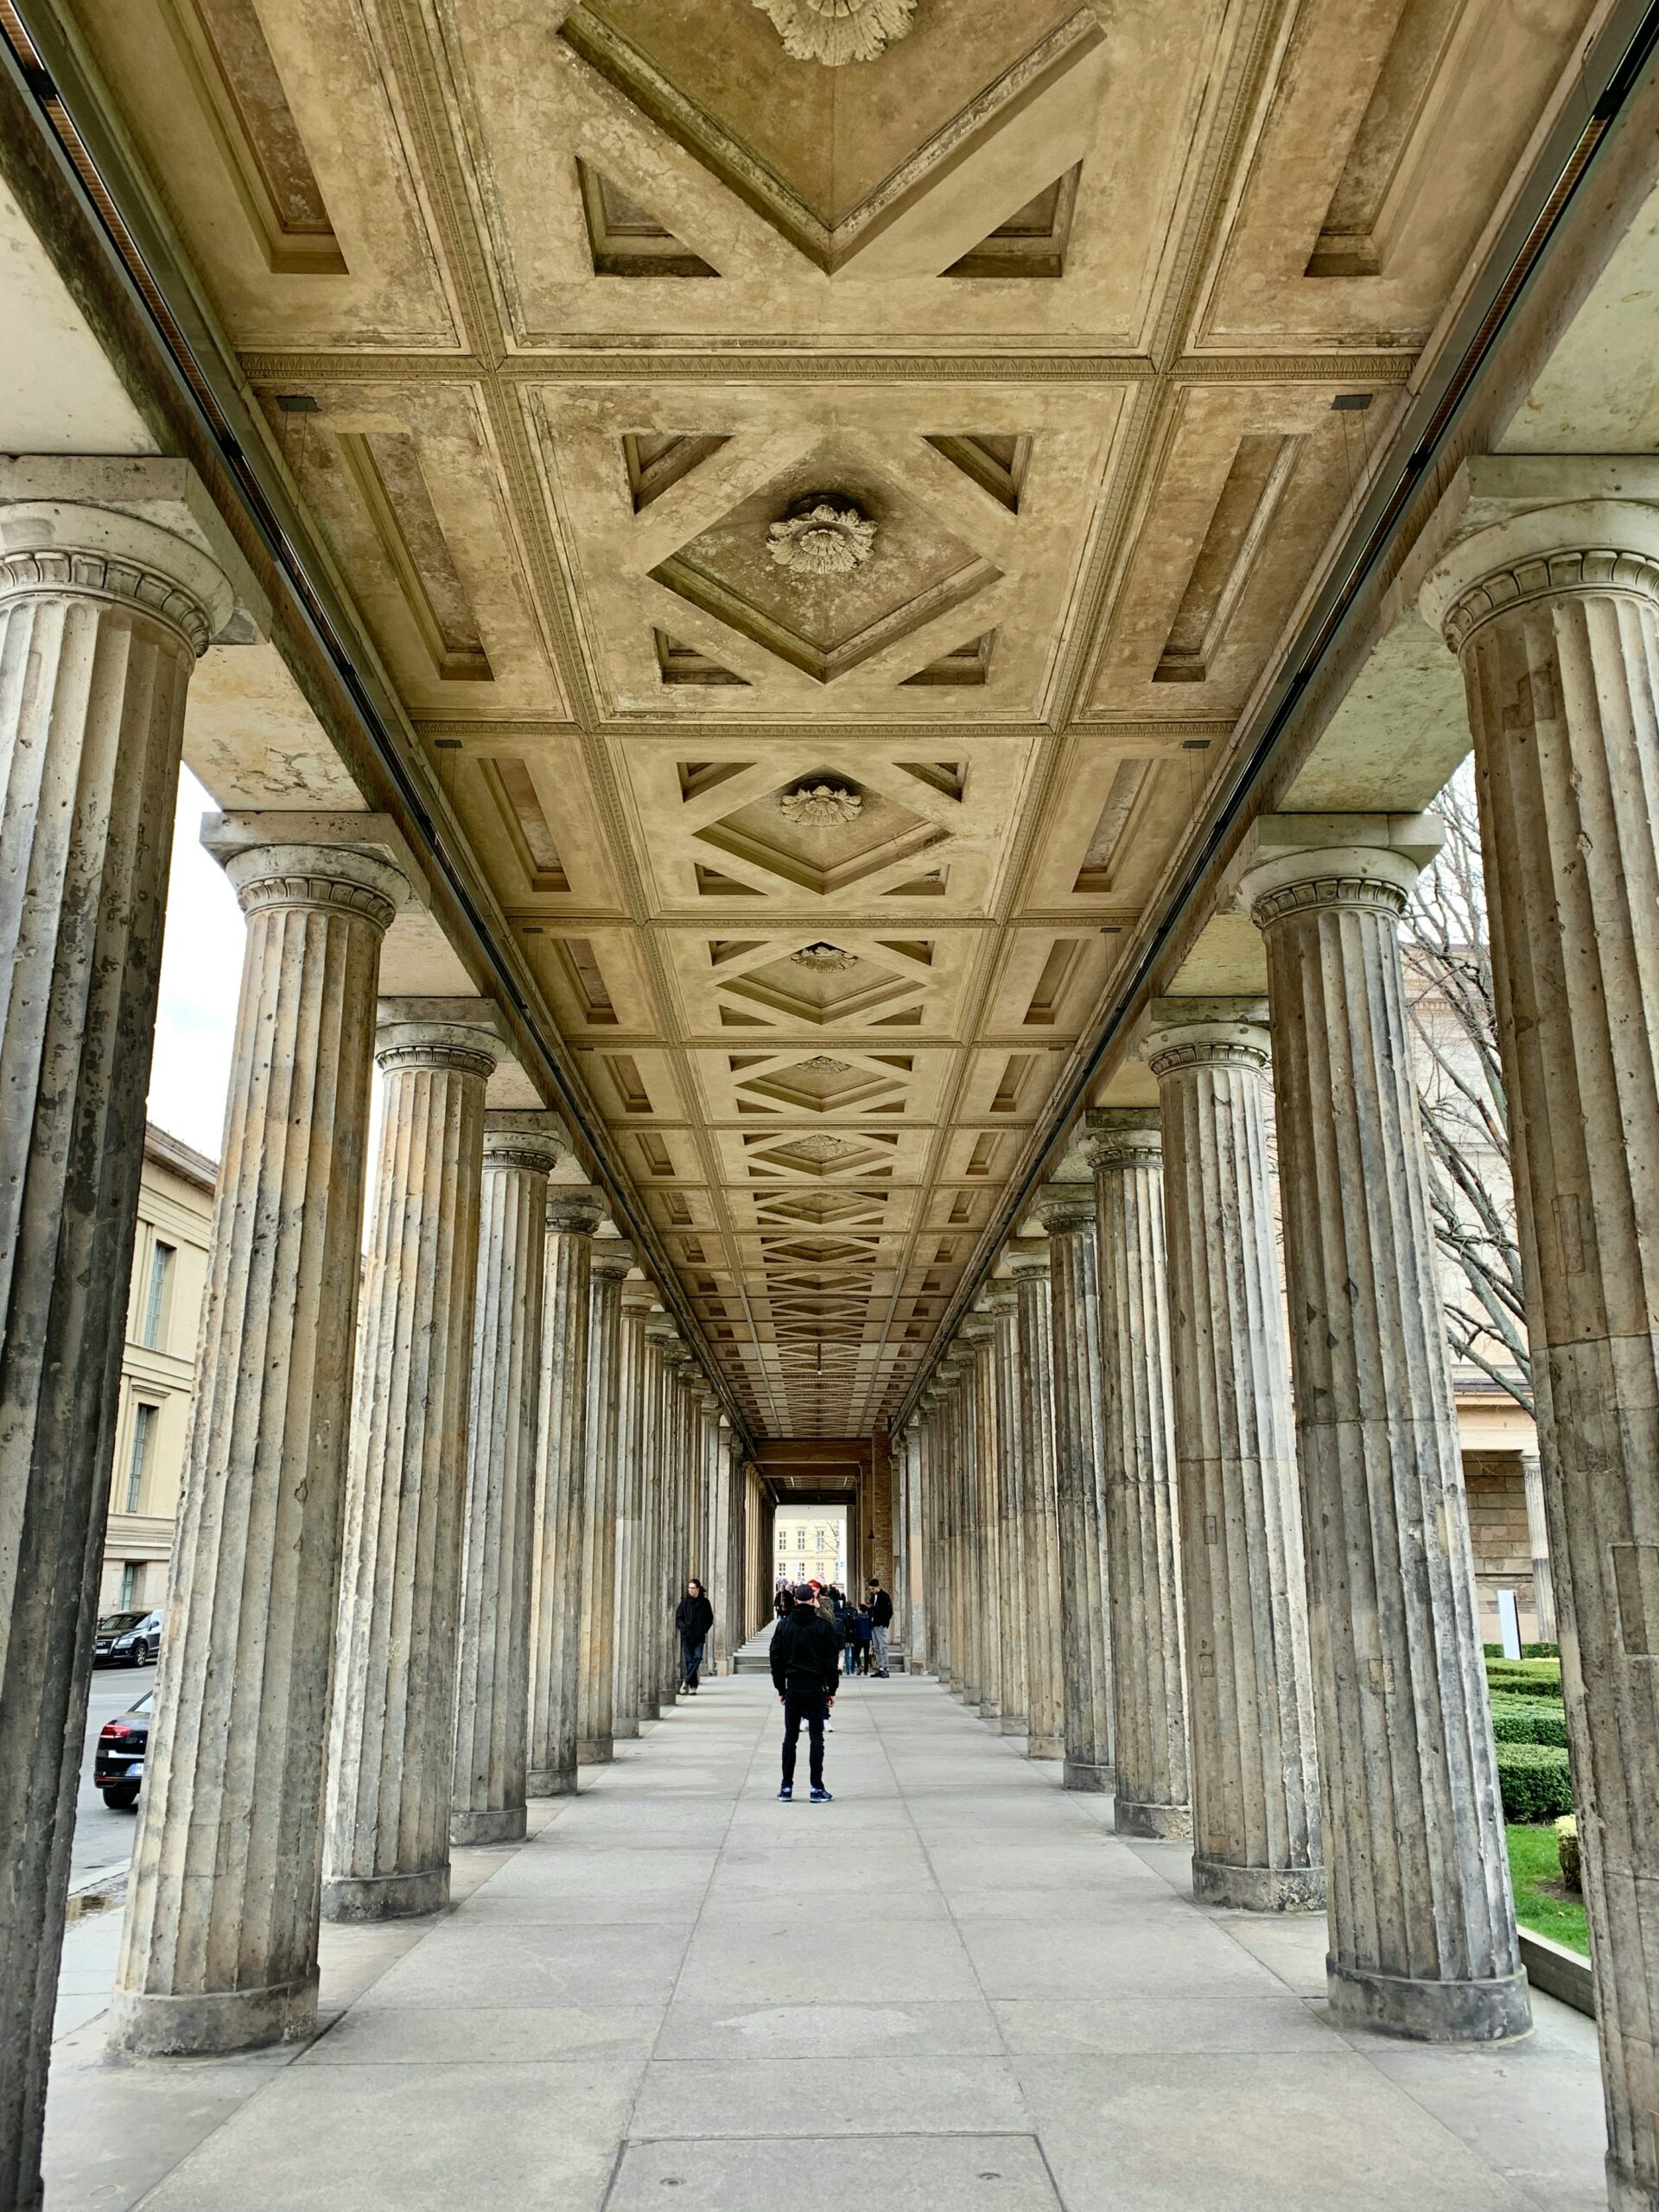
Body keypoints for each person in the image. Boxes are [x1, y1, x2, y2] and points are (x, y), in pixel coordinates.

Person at [770, 1580, 838, 1802]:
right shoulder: (823, 1627)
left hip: (794, 1687)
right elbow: (831, 1662)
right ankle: (816, 1788)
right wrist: (831, 1690)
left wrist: (781, 1688)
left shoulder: (784, 1626)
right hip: (815, 1686)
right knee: (816, 1738)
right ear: (813, 1600)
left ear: (795, 1600)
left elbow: (775, 1658)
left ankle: (786, 1787)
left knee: (790, 1737)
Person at [675, 1578, 715, 1694]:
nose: (690, 1591)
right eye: (689, 1588)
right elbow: (678, 1619)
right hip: (687, 1637)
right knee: (689, 1661)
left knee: (697, 1658)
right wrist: (685, 1628)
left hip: (699, 1637)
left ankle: (686, 1681)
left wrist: (704, 1629)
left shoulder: (705, 1603)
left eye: (693, 1588)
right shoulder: (685, 1602)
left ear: (698, 1589)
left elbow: (710, 1619)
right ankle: (693, 1687)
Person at [867, 1578, 893, 1678]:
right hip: (873, 1624)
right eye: (870, 1589)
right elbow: (873, 1610)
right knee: (876, 1647)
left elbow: (889, 1611)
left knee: (883, 1646)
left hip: (880, 1624)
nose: (872, 1590)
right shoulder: (873, 1598)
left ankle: (886, 1668)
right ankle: (880, 1667)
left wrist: (884, 1622)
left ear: (878, 1587)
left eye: (873, 1588)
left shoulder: (884, 1596)